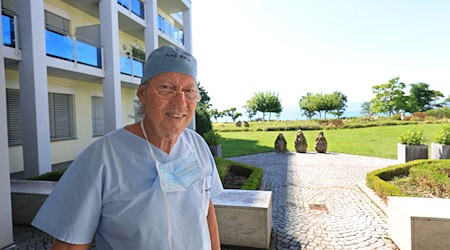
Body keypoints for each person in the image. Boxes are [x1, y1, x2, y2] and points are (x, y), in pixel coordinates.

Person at [32, 45, 224, 250]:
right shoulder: (102, 157)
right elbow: (71, 245)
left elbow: (206, 208)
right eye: (167, 89)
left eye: (189, 91)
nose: (180, 102)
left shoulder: (197, 145)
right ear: (142, 93)